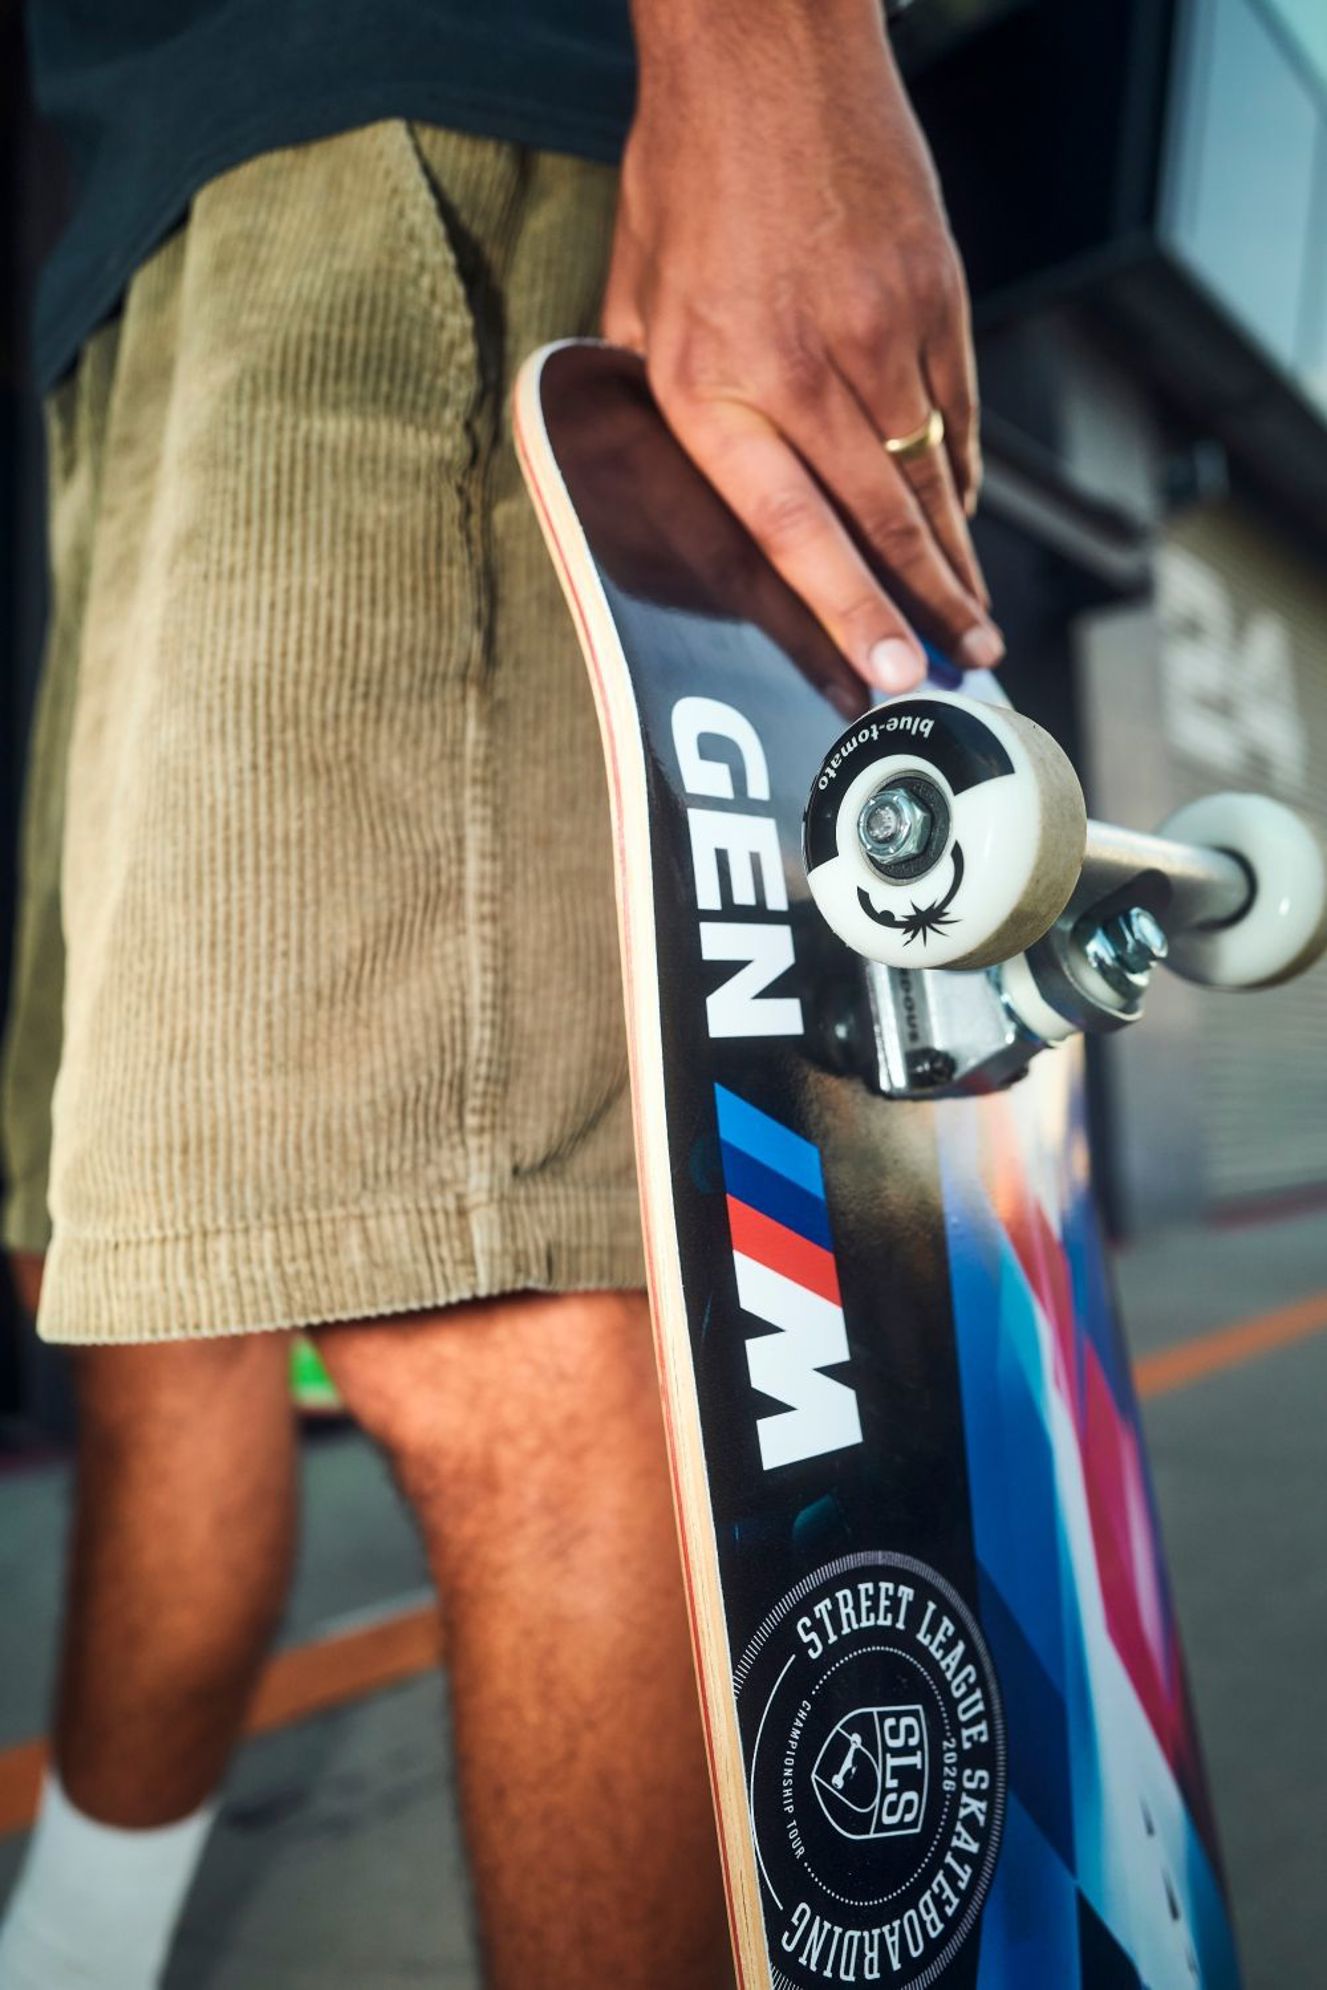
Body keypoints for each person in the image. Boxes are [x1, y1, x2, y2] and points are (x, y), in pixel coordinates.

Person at [0, 0, 1002, 1983]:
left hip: (428, 131)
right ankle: (77, 1942)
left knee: (504, 1327)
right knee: (146, 1287)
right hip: (149, 241)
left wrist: (768, 54)